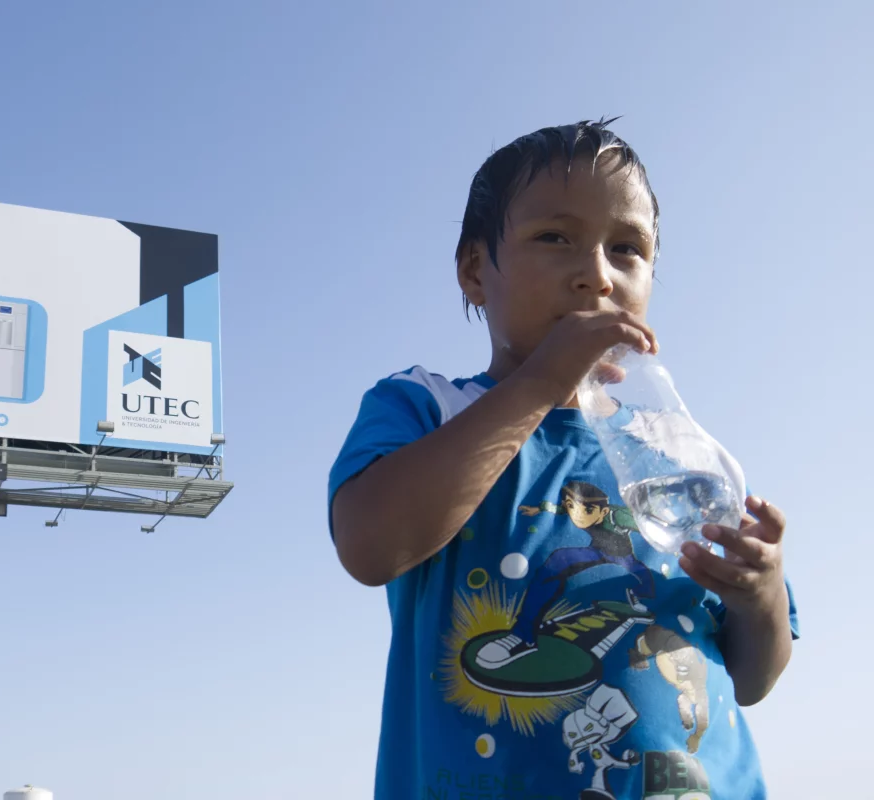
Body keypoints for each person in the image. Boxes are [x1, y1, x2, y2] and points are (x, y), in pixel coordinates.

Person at [327, 119, 798, 799]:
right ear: (473, 270)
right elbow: (369, 546)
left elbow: (752, 679)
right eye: (555, 238)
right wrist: (541, 384)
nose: (595, 276)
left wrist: (762, 597)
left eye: (628, 249)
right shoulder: (428, 407)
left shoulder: (684, 451)